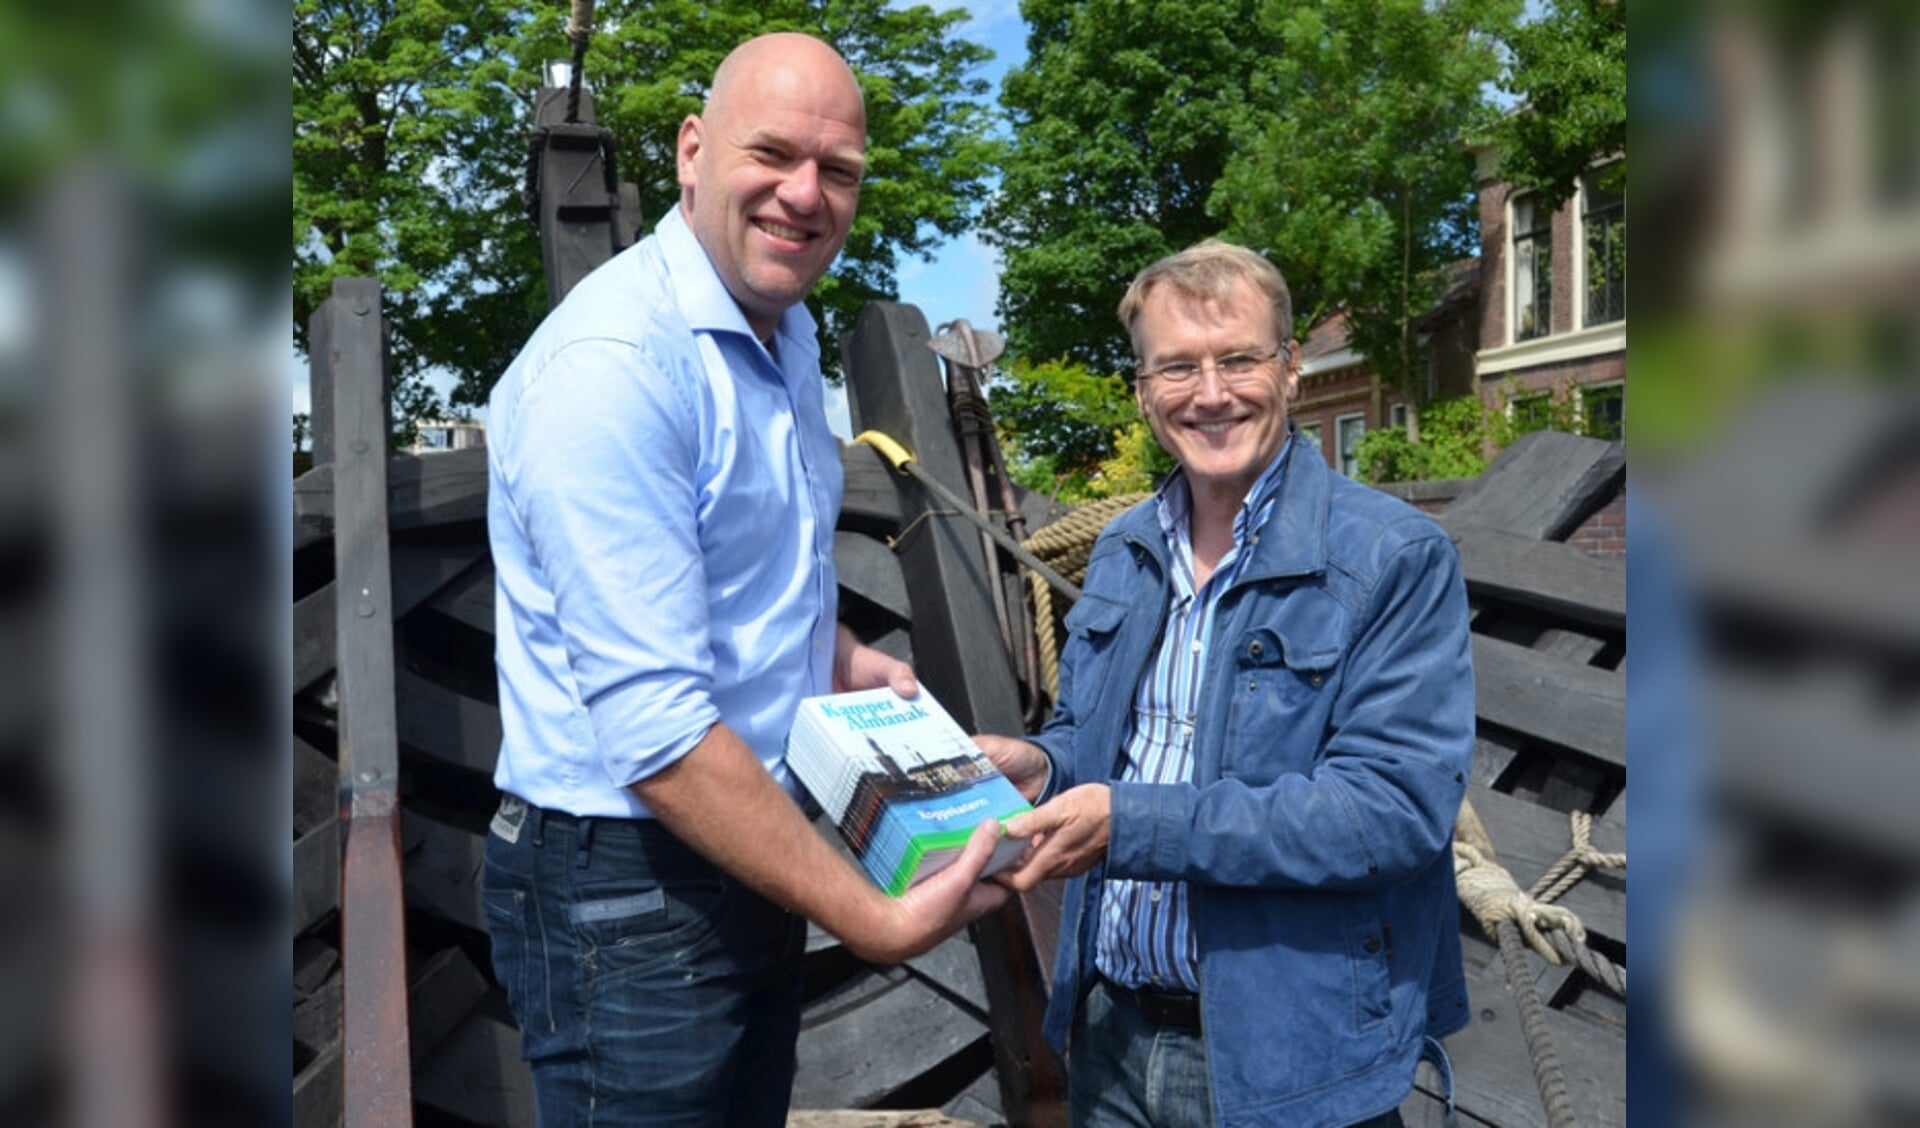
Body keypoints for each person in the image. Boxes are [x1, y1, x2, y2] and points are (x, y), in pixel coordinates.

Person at [481, 32, 1008, 1126]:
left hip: (737, 841)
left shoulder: (782, 331)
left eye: (841, 170)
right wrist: (875, 920)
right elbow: (658, 731)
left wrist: (844, 658)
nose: (805, 194)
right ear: (690, 150)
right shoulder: (614, 369)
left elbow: (732, 581)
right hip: (625, 884)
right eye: (772, 153)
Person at [978, 240, 1475, 1128]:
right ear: (1142, 389)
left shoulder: (1395, 556)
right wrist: (1041, 768)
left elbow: (1389, 811)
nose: (1211, 394)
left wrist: (1135, 825)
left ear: (1290, 368)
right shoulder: (1125, 550)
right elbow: (1098, 746)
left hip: (1292, 1063)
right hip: (1109, 1035)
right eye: (1177, 367)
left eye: (1239, 358)